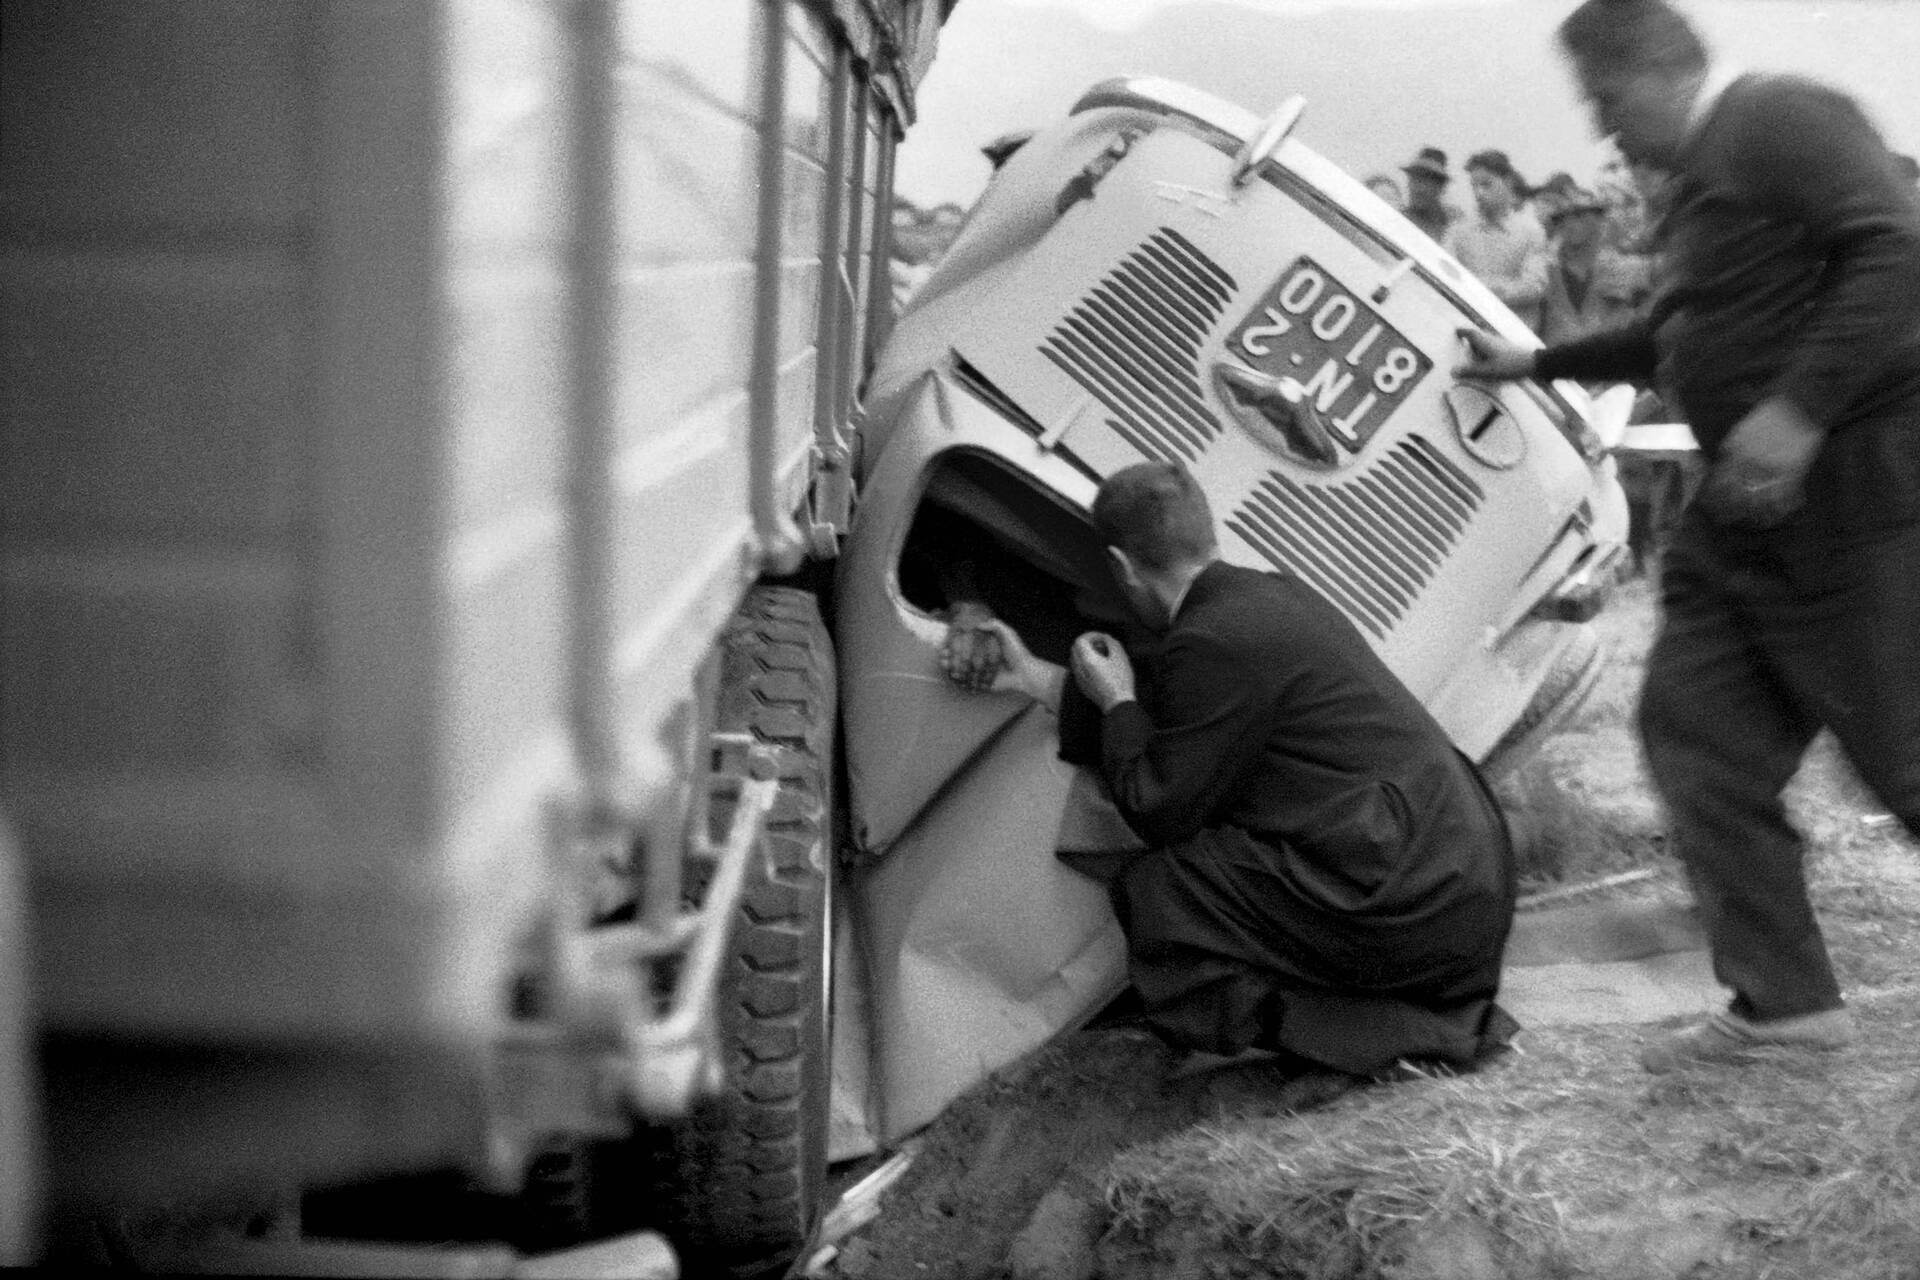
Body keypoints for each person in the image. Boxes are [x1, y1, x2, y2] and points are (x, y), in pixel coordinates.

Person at [1457, 0, 1920, 1072]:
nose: (1604, 129)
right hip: (1744, 518)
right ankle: (1785, 1004)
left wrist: (1800, 409)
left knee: (1901, 752)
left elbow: (1898, 253)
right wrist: (1529, 364)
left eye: (1608, 100)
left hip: (1853, 495)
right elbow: (1674, 335)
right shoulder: (1702, 185)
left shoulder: (1778, 120)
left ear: (1664, 70)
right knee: (1693, 732)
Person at [939, 461, 1520, 1078]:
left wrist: (1118, 702)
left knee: (1167, 892)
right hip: (1460, 866)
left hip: (1407, 888)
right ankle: (1389, 1024)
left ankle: (1385, 1039)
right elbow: (1187, 718)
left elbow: (1158, 806)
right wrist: (1033, 676)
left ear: (1123, 566)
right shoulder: (1269, 596)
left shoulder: (1210, 639)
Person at [1443, 149, 1551, 330]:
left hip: (1515, 337)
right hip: (1470, 333)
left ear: (1508, 183)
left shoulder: (1531, 231)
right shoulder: (1457, 232)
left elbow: (1534, 286)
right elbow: (1445, 274)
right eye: (1474, 186)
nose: (1478, 193)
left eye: (1486, 185)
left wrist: (1476, 289)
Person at [1537, 183, 1652, 344]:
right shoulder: (1544, 271)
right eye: (1561, 218)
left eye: (1579, 215)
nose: (1570, 224)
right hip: (1557, 360)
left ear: (1601, 220)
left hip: (1610, 358)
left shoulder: (1629, 267)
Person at [1399, 146, 1459, 243]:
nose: (1417, 189)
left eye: (1425, 182)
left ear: (1440, 188)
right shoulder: (1399, 221)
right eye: (1414, 180)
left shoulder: (1453, 227)